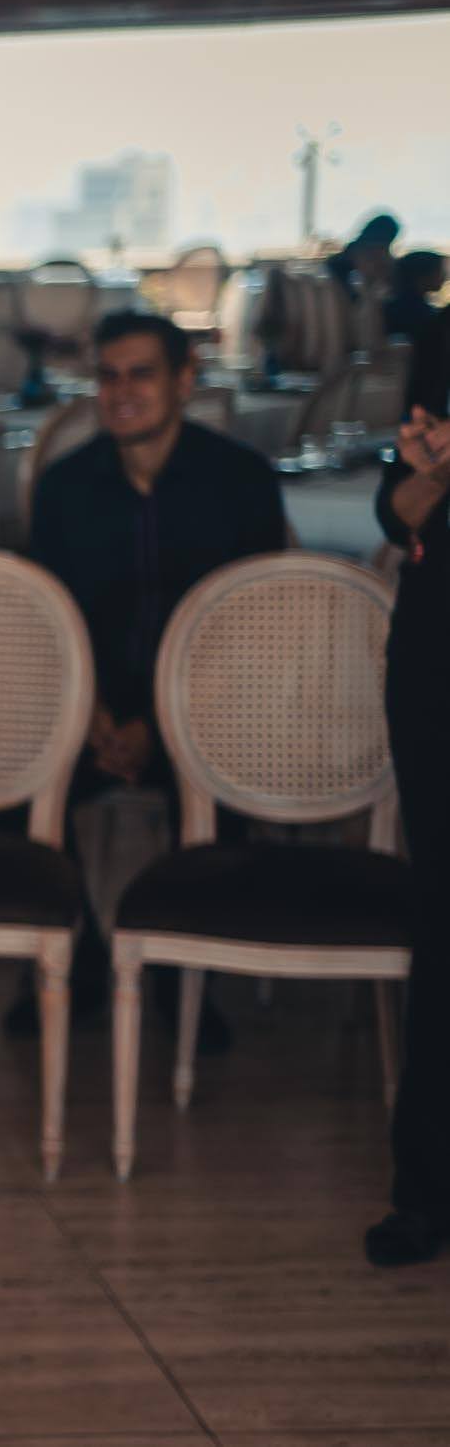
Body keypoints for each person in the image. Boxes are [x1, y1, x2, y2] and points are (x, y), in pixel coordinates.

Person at [25, 312, 288, 1039]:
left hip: (206, 710)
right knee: (21, 781)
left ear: (184, 380)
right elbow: (47, 620)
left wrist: (160, 719)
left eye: (141, 373)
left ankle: (186, 977)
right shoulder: (65, 486)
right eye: (107, 376)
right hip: (91, 711)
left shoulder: (240, 481)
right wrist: (97, 714)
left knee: (219, 789)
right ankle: (69, 960)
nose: (121, 392)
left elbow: (252, 627)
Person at [370, 303, 450, 1268]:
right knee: (442, 915)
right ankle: (425, 1184)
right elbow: (399, 508)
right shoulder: (442, 336)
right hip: (437, 649)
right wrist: (428, 476)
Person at [385, 250, 445, 346]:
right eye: (439, 271)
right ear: (423, 274)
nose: (444, 277)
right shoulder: (421, 313)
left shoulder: (393, 306)